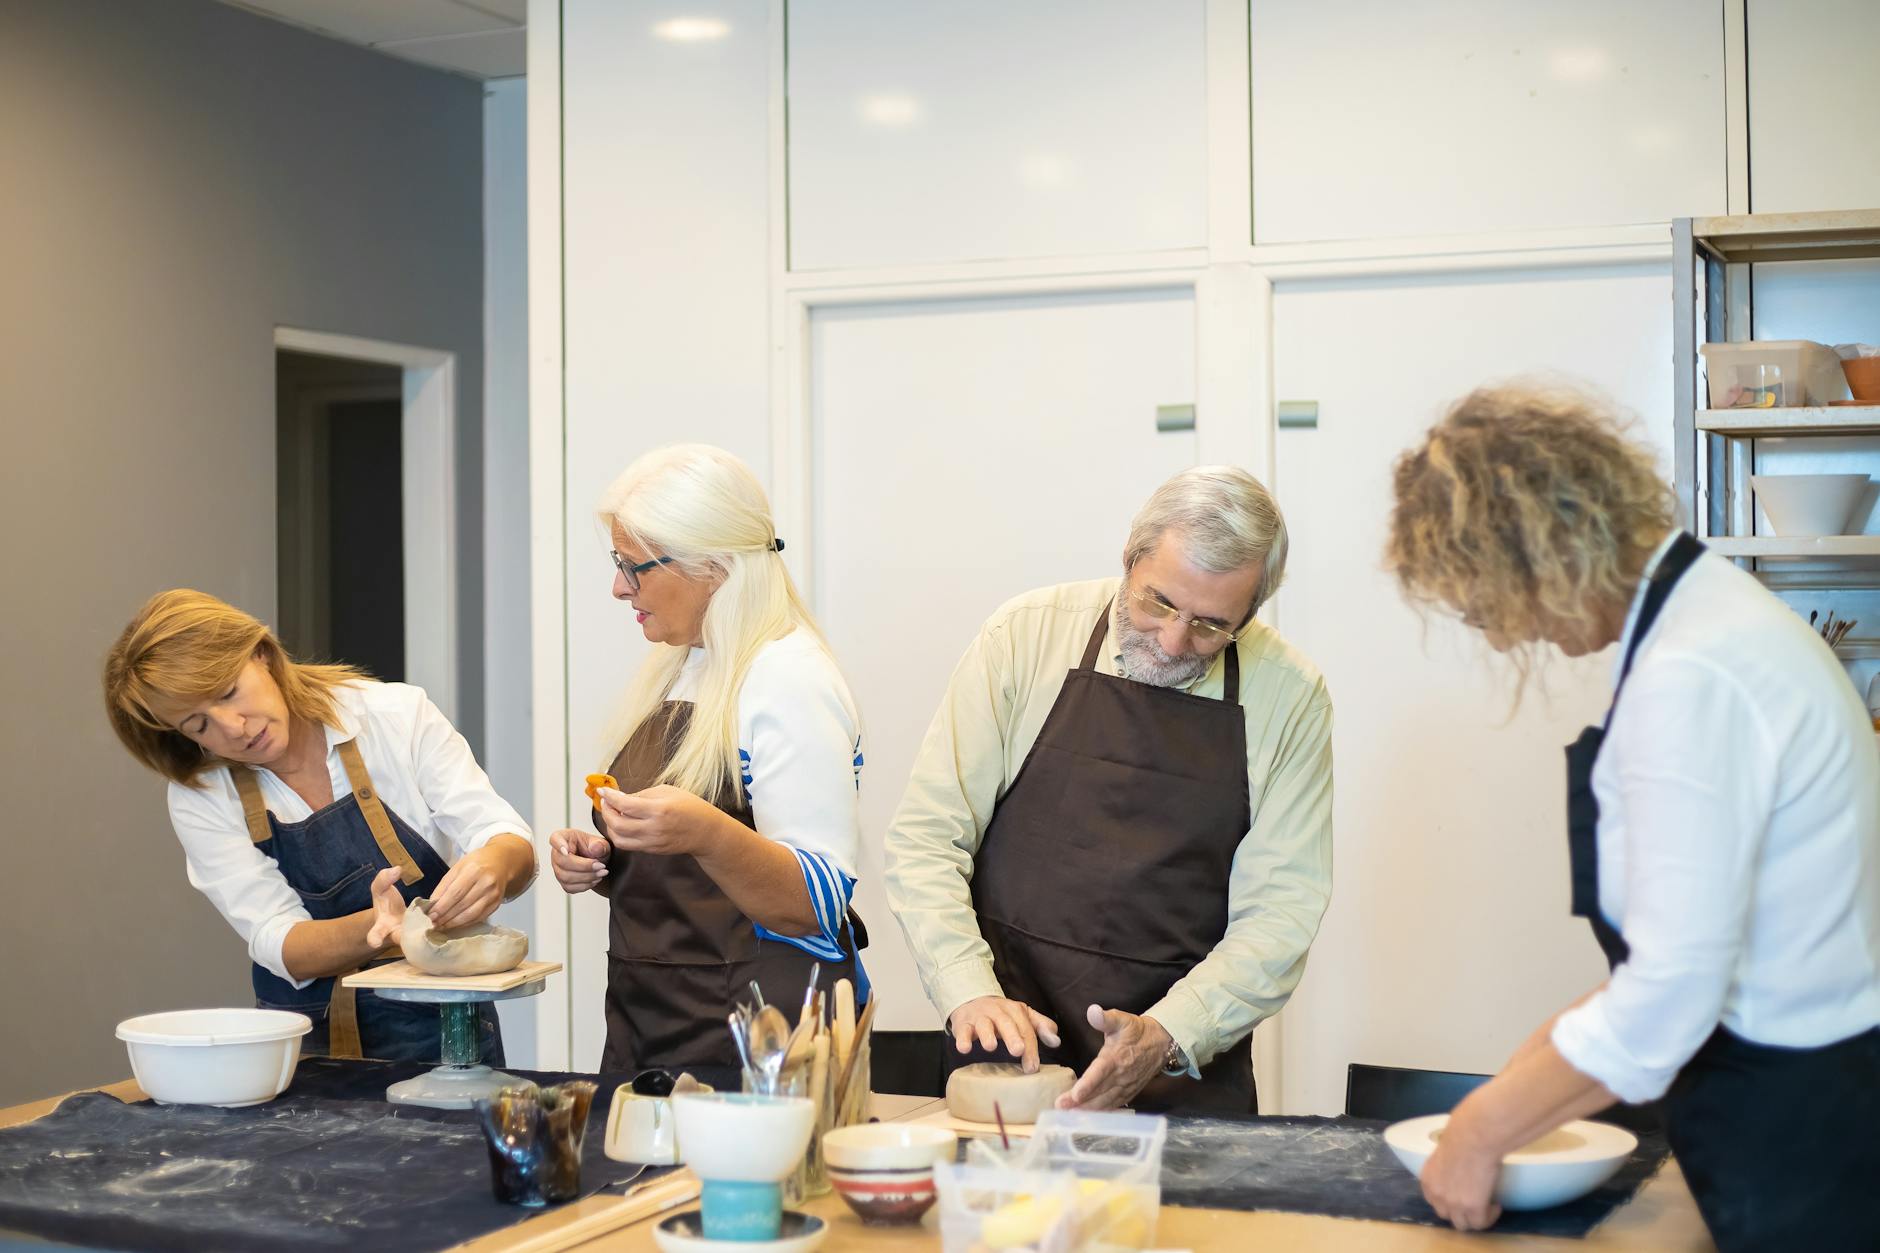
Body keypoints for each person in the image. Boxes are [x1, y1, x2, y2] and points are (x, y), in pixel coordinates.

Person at [1386, 383, 1880, 1247]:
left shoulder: (1690, 675)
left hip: (1796, 1128)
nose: (1503, 637)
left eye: (1484, 604)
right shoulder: (1716, 615)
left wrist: (1480, 1130)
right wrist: (1549, 1054)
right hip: (1817, 1092)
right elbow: (1704, 940)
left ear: (1534, 555)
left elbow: (1671, 997)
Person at [882, 466, 1333, 1115]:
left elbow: (1281, 914)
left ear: (1251, 612)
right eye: (1159, 603)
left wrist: (1171, 1033)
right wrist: (965, 987)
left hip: (1180, 1076)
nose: (1175, 641)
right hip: (1011, 1062)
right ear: (1130, 557)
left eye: (1211, 626)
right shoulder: (1024, 637)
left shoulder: (1291, 697)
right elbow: (927, 837)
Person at [104, 590, 537, 1062]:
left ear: (263, 655)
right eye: (198, 724)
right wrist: (381, 924)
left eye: (229, 692)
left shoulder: (393, 716)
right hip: (305, 1034)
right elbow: (278, 939)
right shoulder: (203, 795)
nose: (233, 727)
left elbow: (501, 835)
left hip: (441, 1018)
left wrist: (496, 863)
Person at [547, 444, 868, 1072]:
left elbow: (818, 905)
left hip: (760, 1040)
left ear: (713, 567)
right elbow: (694, 863)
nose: (618, 588)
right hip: (651, 1017)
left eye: (633, 566)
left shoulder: (786, 677)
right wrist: (611, 856)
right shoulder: (685, 665)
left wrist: (703, 831)